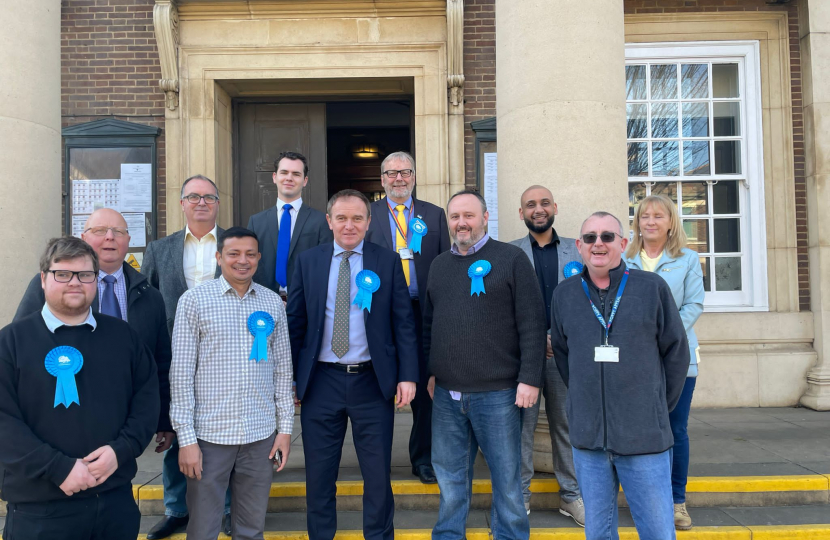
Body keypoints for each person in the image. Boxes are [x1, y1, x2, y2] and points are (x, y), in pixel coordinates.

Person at [0, 236, 159, 540]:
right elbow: (4, 422)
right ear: (44, 279)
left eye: (85, 274)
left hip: (114, 505)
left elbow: (146, 402)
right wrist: (57, 468)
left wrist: (121, 450)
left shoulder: (123, 338)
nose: (75, 282)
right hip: (40, 510)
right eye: (63, 273)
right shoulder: (11, 342)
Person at [549, 211, 690, 540]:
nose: (598, 244)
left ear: (623, 244)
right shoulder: (564, 295)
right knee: (598, 533)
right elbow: (564, 354)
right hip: (589, 442)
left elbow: (676, 353)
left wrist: (653, 407)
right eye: (590, 238)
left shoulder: (651, 288)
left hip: (644, 440)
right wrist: (588, 401)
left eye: (607, 237)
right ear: (579, 247)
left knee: (657, 531)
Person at [287, 189, 419, 540]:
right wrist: (291, 380)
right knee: (319, 475)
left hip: (372, 383)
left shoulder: (387, 262)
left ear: (369, 222)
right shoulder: (308, 261)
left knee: (377, 475)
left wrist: (408, 375)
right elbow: (295, 323)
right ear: (329, 221)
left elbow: (403, 322)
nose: (349, 225)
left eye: (357, 218)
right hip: (321, 383)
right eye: (341, 218)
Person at [424, 190, 546, 540]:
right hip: (447, 396)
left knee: (506, 480)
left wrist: (530, 379)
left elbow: (533, 323)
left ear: (486, 217)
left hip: (500, 395)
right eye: (455, 216)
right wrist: (432, 371)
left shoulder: (511, 259)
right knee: (449, 478)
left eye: (469, 215)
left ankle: (509, 535)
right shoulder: (438, 265)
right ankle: (448, 535)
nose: (461, 223)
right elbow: (429, 326)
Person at [13, 209, 172, 461]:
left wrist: (163, 417)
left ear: (128, 241)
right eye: (100, 231)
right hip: (62, 416)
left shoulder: (150, 295)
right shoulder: (50, 286)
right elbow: (23, 346)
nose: (110, 237)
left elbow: (161, 360)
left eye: (118, 231)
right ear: (83, 237)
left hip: (127, 421)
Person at [170, 227, 294, 540]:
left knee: (252, 529)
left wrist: (285, 430)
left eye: (250, 254)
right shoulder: (194, 301)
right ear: (218, 257)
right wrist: (186, 439)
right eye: (234, 254)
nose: (243, 260)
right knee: (203, 529)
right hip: (209, 437)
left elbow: (282, 370)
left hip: (260, 435)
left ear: (258, 258)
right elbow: (181, 373)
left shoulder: (273, 304)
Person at [141, 174, 231, 539]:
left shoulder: (234, 243)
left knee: (224, 435)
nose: (201, 203)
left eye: (209, 197)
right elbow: (147, 300)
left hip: (225, 354)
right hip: (174, 355)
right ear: (181, 203)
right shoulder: (159, 249)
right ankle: (177, 509)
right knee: (178, 431)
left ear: (217, 203)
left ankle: (225, 509)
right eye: (193, 197)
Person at [366, 151, 450, 484]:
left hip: (426, 312)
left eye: (405, 172)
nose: (398, 178)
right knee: (379, 386)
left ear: (414, 175)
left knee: (427, 387)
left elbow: (445, 262)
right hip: (381, 314)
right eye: (391, 173)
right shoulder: (368, 214)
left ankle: (424, 458)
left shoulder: (434, 214)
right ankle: (376, 460)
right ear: (382, 178)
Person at [624, 195, 704, 531]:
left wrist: (661, 338)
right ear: (637, 223)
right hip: (635, 362)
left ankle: (676, 502)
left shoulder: (687, 259)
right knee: (637, 431)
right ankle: (644, 497)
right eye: (645, 216)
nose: (651, 222)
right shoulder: (625, 261)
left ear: (671, 222)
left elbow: (693, 306)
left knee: (675, 430)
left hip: (678, 361)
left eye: (659, 216)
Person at [508, 185, 584, 524]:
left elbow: (589, 302)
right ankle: (519, 497)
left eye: (543, 203)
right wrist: (537, 340)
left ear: (555, 206)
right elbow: (502, 307)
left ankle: (571, 496)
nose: (537, 209)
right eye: (529, 205)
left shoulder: (578, 251)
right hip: (524, 356)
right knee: (521, 429)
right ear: (520, 213)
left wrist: (557, 338)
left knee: (565, 426)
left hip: (564, 356)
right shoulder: (508, 253)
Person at [248, 151, 332, 298]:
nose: (289, 178)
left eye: (296, 174)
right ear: (275, 177)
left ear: (305, 181)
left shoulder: (320, 221)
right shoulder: (256, 221)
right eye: (284, 172)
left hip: (306, 301)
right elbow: (250, 260)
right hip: (263, 302)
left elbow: (325, 264)